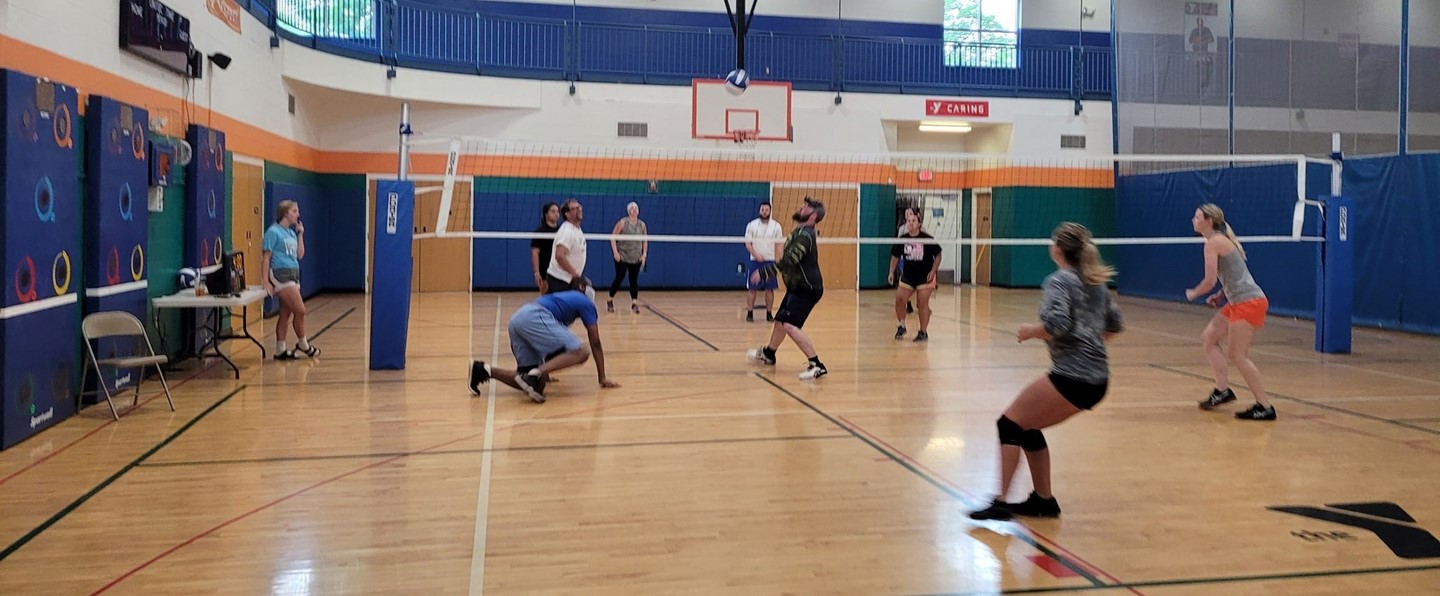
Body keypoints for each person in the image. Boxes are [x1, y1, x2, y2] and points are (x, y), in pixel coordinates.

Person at [969, 223, 1122, 521]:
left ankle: (1000, 502)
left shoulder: (1060, 281)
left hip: (1073, 377)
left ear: (1059, 250)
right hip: (1097, 379)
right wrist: (1089, 345)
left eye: (1053, 242)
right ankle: (1043, 501)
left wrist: (1030, 331)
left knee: (1009, 425)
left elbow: (1057, 325)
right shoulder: (1095, 282)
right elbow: (1114, 325)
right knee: (1026, 426)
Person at [1186, 203, 1276, 421]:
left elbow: (1208, 281)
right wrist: (1221, 295)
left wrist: (1194, 292)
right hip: (1237, 300)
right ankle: (1223, 390)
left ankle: (1265, 406)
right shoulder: (1215, 241)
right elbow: (1234, 275)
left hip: (1249, 302)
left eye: (1197, 217)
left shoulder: (1214, 243)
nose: (1193, 219)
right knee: (1209, 338)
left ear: (1209, 221)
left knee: (1237, 355)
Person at [469, 288, 620, 402]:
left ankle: (482, 370)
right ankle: (534, 374)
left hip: (518, 319)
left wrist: (545, 373)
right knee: (581, 351)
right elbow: (595, 342)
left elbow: (551, 349)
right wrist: (602, 377)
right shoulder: (586, 303)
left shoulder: (562, 301)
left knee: (534, 386)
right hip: (533, 316)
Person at [747, 197, 829, 380]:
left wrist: (765, 272)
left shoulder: (806, 235)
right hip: (797, 287)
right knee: (780, 321)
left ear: (813, 215)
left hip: (807, 289)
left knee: (790, 325)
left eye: (806, 206)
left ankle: (817, 365)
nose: (801, 207)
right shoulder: (799, 231)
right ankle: (769, 353)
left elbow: (789, 261)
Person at [262, 199, 319, 360]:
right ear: (286, 213)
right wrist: (266, 281)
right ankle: (303, 343)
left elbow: (299, 255)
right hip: (281, 274)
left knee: (285, 314)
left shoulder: (291, 232)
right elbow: (266, 258)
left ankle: (280, 349)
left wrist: (300, 233)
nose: (298, 214)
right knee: (300, 310)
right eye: (295, 211)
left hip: (294, 274)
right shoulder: (273, 232)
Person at [889, 207, 941, 342]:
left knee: (921, 304)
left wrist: (933, 271)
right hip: (908, 276)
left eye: (913, 220)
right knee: (900, 300)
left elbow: (938, 255)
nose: (910, 223)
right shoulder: (902, 239)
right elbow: (895, 256)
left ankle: (923, 332)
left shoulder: (927, 239)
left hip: (925, 277)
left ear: (919, 224)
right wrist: (891, 272)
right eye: (908, 221)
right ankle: (901, 325)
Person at [743, 201, 784, 322]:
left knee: (770, 289)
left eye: (766, 210)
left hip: (769, 262)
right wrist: (756, 255)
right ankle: (750, 313)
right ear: (759, 210)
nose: (764, 212)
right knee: (752, 288)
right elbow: (747, 243)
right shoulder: (752, 225)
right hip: (755, 261)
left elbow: (779, 244)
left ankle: (769, 314)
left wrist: (782, 258)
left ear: (770, 211)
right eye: (762, 210)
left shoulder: (776, 226)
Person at [607, 202, 648, 313]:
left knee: (633, 281)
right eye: (632, 208)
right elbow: (612, 237)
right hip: (623, 256)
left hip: (636, 257)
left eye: (636, 208)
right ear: (628, 211)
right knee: (619, 278)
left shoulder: (642, 225)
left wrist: (644, 255)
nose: (634, 210)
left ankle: (634, 304)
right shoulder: (623, 222)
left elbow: (645, 241)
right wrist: (615, 252)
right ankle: (610, 300)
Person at [546, 198, 589, 294]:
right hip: (560, 280)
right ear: (567, 214)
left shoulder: (576, 229)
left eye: (579, 206)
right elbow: (559, 256)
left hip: (567, 279)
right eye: (575, 208)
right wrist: (575, 276)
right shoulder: (567, 231)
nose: (579, 209)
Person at [530, 202, 560, 295]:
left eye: (557, 211)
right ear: (546, 214)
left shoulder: (562, 230)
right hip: (545, 272)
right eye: (553, 211)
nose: (556, 214)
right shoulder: (540, 232)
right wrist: (537, 273)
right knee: (546, 300)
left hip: (559, 271)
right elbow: (535, 253)